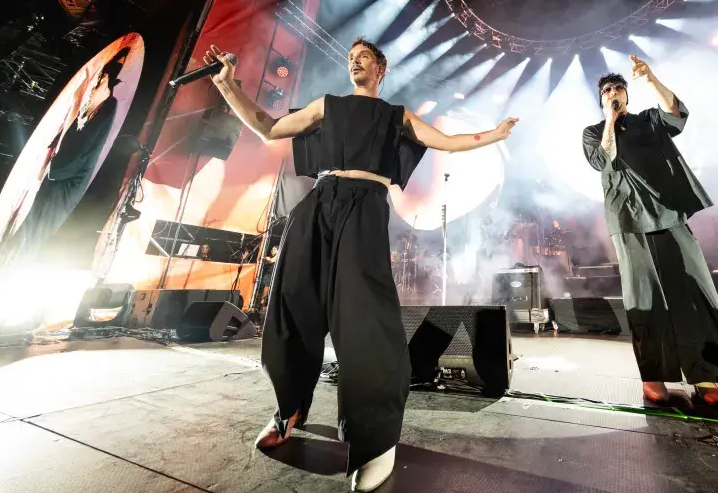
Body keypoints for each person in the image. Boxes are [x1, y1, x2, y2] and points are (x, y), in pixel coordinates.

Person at [205, 38, 517, 492]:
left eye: (364, 56)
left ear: (381, 68)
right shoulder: (326, 106)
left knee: (364, 320)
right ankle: (290, 409)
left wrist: (493, 134)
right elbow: (269, 127)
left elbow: (447, 142)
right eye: (350, 57)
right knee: (292, 304)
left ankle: (373, 442)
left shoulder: (396, 116)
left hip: (365, 206)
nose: (354, 61)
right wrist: (229, 88)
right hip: (319, 205)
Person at [581, 54, 718, 406]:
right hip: (627, 219)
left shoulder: (650, 121)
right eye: (608, 90)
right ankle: (653, 374)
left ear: (628, 94)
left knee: (691, 291)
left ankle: (704, 375)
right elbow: (603, 159)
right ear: (601, 99)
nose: (614, 92)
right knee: (644, 299)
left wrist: (652, 79)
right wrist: (610, 118)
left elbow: (676, 114)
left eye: (619, 88)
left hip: (668, 214)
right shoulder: (594, 132)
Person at [0, 50, 127, 268]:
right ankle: (9, 262)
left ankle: (9, 265)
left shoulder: (106, 109)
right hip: (59, 183)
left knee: (29, 236)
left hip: (63, 185)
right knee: (25, 234)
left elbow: (76, 158)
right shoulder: (86, 118)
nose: (89, 93)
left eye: (96, 86)